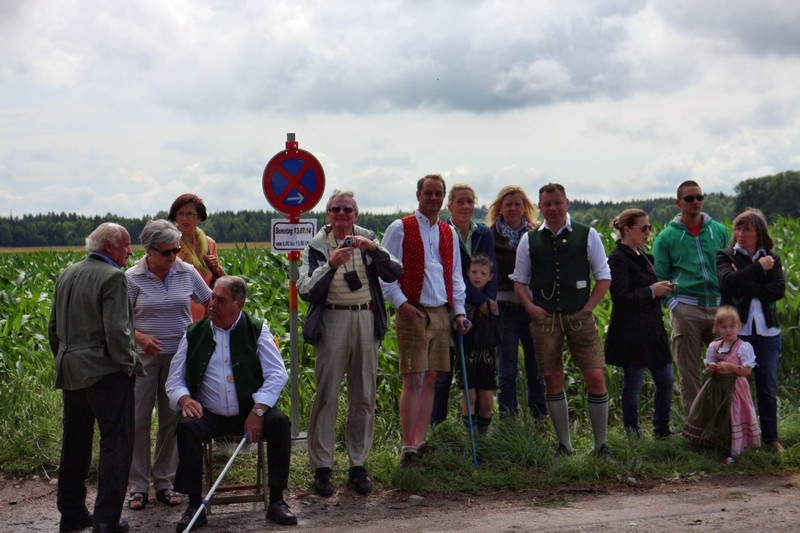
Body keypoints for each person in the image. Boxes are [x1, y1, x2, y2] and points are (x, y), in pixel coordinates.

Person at [166, 276, 297, 530]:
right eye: (212, 297)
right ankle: (194, 506)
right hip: (209, 413)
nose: (212, 303)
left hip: (249, 411)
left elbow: (278, 373)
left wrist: (259, 409)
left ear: (239, 304)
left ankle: (277, 501)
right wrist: (184, 399)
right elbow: (174, 380)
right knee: (187, 427)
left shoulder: (257, 329)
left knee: (280, 423)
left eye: (220, 299)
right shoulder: (194, 333)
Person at [298, 190, 402, 497]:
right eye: (335, 210)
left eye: (347, 210)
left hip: (365, 319)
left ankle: (358, 465)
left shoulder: (368, 240)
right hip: (333, 319)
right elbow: (305, 290)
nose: (341, 214)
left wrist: (372, 248)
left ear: (355, 215)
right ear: (327, 214)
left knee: (364, 395)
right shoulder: (316, 246)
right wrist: (330, 265)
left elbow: (395, 271)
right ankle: (322, 468)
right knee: (327, 394)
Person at [48, 222, 144, 533]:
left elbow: (53, 329)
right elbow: (118, 331)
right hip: (105, 372)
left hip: (70, 369)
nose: (130, 251)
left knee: (75, 443)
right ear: (109, 247)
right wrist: (128, 363)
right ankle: (106, 520)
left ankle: (72, 513)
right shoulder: (113, 277)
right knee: (116, 442)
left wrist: (67, 358)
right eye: (126, 245)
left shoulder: (68, 272)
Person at [511, 183, 613, 459]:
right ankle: (564, 446)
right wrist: (531, 307)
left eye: (558, 202)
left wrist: (587, 308)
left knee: (595, 375)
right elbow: (519, 281)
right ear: (540, 207)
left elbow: (604, 276)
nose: (553, 208)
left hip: (580, 316)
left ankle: (601, 446)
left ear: (567, 203)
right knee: (552, 378)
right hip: (545, 319)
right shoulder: (529, 239)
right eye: (548, 204)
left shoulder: (587, 234)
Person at [381, 174, 469, 466]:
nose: (433, 198)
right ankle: (407, 445)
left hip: (441, 311)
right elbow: (385, 272)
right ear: (418, 195)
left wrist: (459, 311)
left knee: (431, 377)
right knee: (413, 378)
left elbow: (454, 274)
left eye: (438, 194)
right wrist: (401, 303)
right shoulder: (400, 228)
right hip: (413, 310)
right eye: (428, 193)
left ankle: (421, 440)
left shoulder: (448, 232)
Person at [125, 220, 212, 511]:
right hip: (143, 359)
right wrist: (139, 336)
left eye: (176, 250)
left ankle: (164, 481)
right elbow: (119, 321)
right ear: (149, 252)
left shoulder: (187, 273)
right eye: (166, 252)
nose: (173, 256)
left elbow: (211, 302)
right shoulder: (131, 278)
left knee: (170, 420)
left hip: (179, 357)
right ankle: (137, 485)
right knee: (137, 421)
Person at [653, 180, 730, 415]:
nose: (695, 202)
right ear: (678, 203)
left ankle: (725, 423)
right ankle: (695, 425)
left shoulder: (719, 230)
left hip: (719, 309)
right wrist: (675, 305)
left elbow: (731, 268)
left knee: (726, 368)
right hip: (687, 308)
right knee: (689, 373)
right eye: (689, 198)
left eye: (699, 197)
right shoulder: (666, 237)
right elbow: (659, 275)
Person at [716, 208, 786, 453]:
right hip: (737, 333)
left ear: (759, 233)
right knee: (734, 387)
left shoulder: (772, 258)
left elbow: (778, 290)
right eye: (738, 228)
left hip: (767, 333)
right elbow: (727, 283)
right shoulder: (725, 256)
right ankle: (734, 440)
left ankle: (771, 439)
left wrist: (746, 282)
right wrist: (758, 268)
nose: (741, 233)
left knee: (767, 386)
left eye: (747, 229)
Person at [605, 209, 675, 439]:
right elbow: (621, 298)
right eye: (643, 228)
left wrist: (660, 290)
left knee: (666, 379)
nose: (648, 232)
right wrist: (651, 291)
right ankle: (632, 433)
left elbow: (647, 291)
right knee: (633, 383)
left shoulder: (644, 256)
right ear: (627, 230)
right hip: (631, 332)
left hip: (652, 329)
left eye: (649, 227)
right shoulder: (618, 259)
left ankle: (661, 430)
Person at [431, 183, 497, 425]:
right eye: (460, 201)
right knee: (443, 372)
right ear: (449, 205)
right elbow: (452, 273)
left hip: (480, 313)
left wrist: (489, 300)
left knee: (478, 368)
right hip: (449, 306)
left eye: (470, 201)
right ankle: (437, 426)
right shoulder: (440, 231)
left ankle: (477, 427)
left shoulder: (483, 232)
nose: (466, 206)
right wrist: (479, 300)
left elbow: (492, 267)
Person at [488, 185, 547, 418]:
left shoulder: (537, 234)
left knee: (536, 366)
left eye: (518, 204)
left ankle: (539, 416)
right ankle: (508, 419)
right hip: (503, 307)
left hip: (532, 307)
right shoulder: (489, 235)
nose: (513, 208)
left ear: (525, 208)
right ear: (499, 208)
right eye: (508, 204)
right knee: (507, 368)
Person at [682, 306, 761, 464]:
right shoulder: (715, 346)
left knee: (734, 416)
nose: (728, 330)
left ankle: (735, 450)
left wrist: (730, 367)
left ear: (738, 327)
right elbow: (709, 369)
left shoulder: (743, 347)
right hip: (716, 387)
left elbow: (746, 370)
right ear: (717, 327)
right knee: (714, 413)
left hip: (735, 388)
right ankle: (713, 443)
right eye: (723, 326)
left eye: (732, 326)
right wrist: (711, 368)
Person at [456, 253, 500, 434]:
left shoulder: (491, 301)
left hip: (487, 355)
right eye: (474, 272)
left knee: (488, 400)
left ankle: (482, 435)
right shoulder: (461, 297)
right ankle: (470, 435)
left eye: (483, 273)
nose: (477, 276)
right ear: (467, 272)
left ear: (490, 276)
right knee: (470, 395)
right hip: (466, 352)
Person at [168, 193, 226, 322]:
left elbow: (222, 280)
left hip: (208, 311)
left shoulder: (209, 244)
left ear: (199, 217)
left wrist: (216, 268)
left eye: (189, 214)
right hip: (180, 313)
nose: (184, 219)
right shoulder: (169, 244)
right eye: (180, 214)